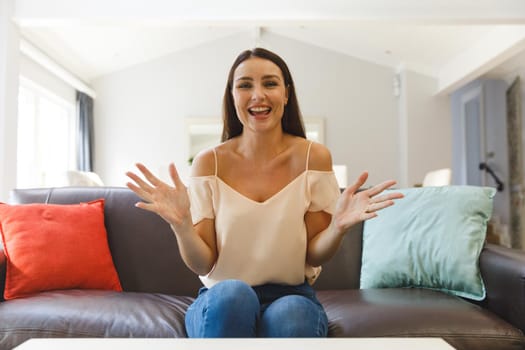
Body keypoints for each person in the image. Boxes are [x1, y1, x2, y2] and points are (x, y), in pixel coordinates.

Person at [125, 47, 403, 338]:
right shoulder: (210, 162)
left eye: (270, 83)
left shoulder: (313, 157)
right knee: (234, 294)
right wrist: (182, 227)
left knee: (292, 312)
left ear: (286, 94)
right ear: (233, 97)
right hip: (221, 299)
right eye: (245, 85)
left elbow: (315, 253)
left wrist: (337, 228)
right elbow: (203, 263)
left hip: (293, 295)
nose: (258, 95)